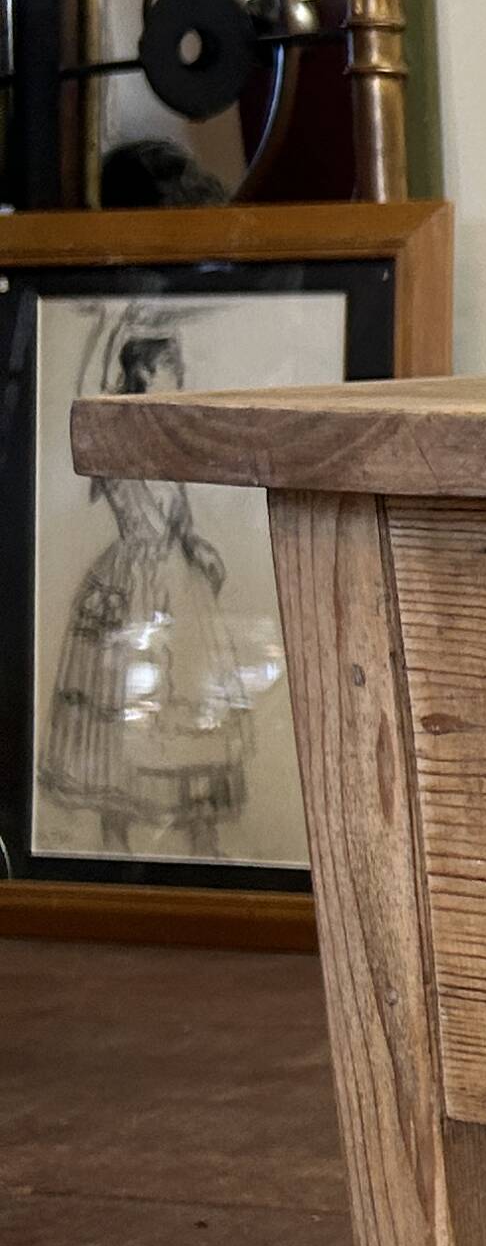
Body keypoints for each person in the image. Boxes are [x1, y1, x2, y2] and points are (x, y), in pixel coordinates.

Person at [39, 308, 262, 859]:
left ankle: (202, 840)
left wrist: (198, 549)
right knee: (126, 705)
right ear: (145, 370)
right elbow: (86, 401)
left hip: (178, 584)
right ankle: (116, 837)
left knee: (192, 706)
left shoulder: (166, 443)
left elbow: (178, 519)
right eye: (170, 365)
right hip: (133, 581)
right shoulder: (114, 439)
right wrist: (112, 328)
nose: (179, 375)